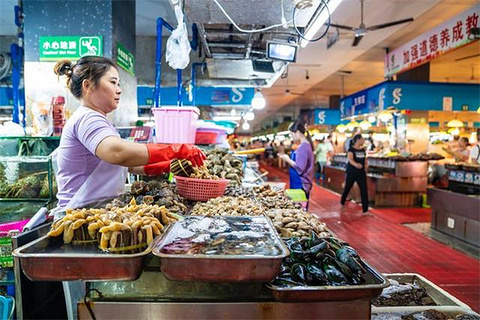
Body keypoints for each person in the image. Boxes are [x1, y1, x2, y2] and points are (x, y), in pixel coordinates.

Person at [53, 56, 206, 210]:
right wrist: (174, 150)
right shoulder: (87, 118)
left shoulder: (99, 121)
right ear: (88, 86)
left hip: (94, 212)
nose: (119, 90)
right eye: (112, 82)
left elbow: (125, 166)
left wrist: (166, 166)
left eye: (118, 84)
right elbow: (117, 153)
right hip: (76, 218)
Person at [279, 120, 315, 200]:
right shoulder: (306, 145)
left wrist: (287, 159)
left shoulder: (303, 147)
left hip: (300, 184)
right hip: (299, 183)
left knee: (299, 208)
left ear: (298, 132)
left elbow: (300, 167)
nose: (292, 137)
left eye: (292, 134)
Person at [340, 134, 369, 213]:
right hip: (352, 172)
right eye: (362, 139)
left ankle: (365, 209)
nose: (363, 141)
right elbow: (350, 159)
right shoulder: (351, 150)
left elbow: (365, 159)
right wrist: (356, 164)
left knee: (364, 189)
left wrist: (366, 166)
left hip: (361, 173)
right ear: (358, 140)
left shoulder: (363, 150)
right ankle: (342, 201)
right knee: (348, 187)